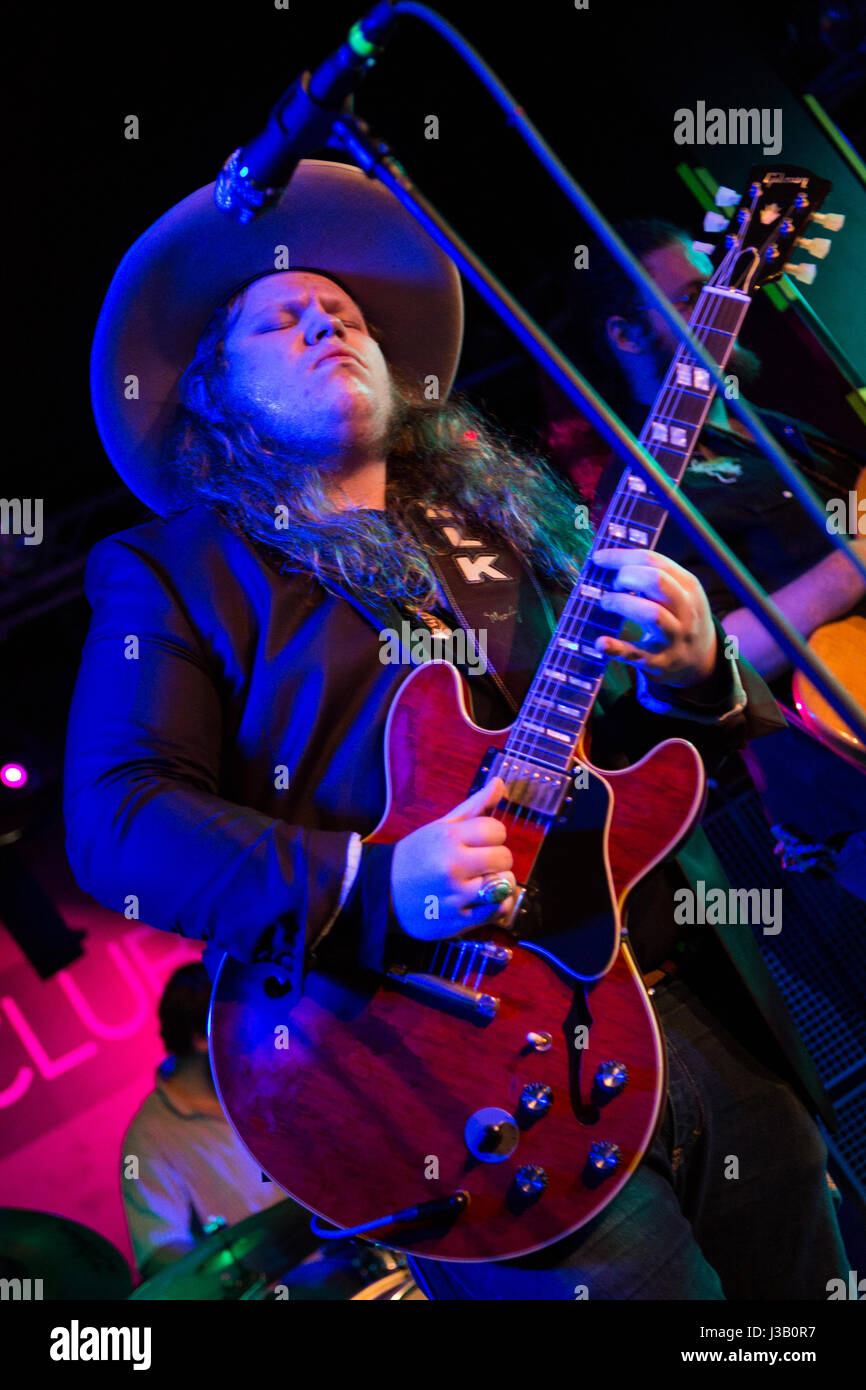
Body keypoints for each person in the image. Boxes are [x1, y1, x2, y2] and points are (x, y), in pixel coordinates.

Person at [65, 159, 850, 1299]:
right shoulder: (176, 574)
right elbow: (114, 821)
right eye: (278, 321)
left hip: (688, 1000)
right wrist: (380, 886)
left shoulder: (488, 513)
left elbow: (622, 753)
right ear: (213, 391)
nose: (325, 325)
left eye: (342, 313)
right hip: (449, 1070)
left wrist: (694, 669)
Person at [543, 217, 866, 893]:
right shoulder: (639, 493)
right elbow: (721, 651)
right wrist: (856, 560)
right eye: (694, 297)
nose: (727, 307)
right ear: (627, 336)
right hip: (844, 787)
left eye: (721, 286)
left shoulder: (768, 427)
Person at [121, 963, 286, 1281]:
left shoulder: (273, 1079)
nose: (257, 1041)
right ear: (201, 1037)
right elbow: (160, 1252)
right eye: (243, 1030)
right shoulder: (149, 1138)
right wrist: (232, 1267)